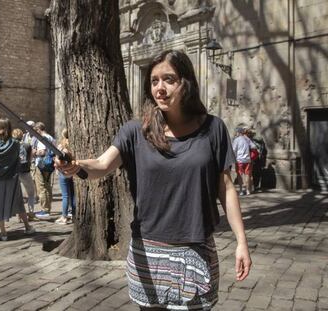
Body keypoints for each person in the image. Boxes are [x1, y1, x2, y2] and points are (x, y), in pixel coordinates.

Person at [56, 50, 251, 310]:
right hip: (147, 253)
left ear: (186, 83)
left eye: (169, 79)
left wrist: (241, 242)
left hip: (195, 252)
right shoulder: (135, 132)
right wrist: (76, 165)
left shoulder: (213, 129)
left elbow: (226, 189)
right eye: (154, 81)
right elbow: (102, 165)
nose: (160, 88)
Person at [0, 118, 35, 241]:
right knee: (18, 202)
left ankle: (3, 233)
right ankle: (27, 227)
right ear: (10, 127)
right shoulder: (15, 143)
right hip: (11, 177)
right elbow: (17, 159)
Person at [12, 128, 36, 220]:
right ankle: (30, 213)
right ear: (22, 135)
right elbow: (29, 159)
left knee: (18, 194)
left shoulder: (11, 146)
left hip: (14, 173)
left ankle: (20, 214)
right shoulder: (27, 145)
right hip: (25, 172)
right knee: (31, 193)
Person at [33, 122, 55, 219]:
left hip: (42, 165)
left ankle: (45, 209)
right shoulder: (51, 137)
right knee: (47, 186)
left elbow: (42, 152)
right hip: (49, 164)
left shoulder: (43, 138)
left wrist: (34, 152)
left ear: (38, 129)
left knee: (41, 187)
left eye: (35, 131)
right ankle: (48, 207)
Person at [55, 129, 76, 225]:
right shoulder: (74, 144)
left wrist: (55, 160)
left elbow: (58, 161)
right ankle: (74, 215)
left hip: (63, 171)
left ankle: (64, 216)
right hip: (72, 171)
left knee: (65, 195)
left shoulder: (61, 146)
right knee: (72, 194)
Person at [232, 127, 257, 196]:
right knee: (248, 175)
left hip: (239, 160)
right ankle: (248, 190)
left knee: (240, 175)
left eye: (236, 132)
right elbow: (254, 146)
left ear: (238, 132)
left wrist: (233, 158)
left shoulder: (236, 140)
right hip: (247, 159)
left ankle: (241, 190)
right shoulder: (247, 139)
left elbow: (233, 150)